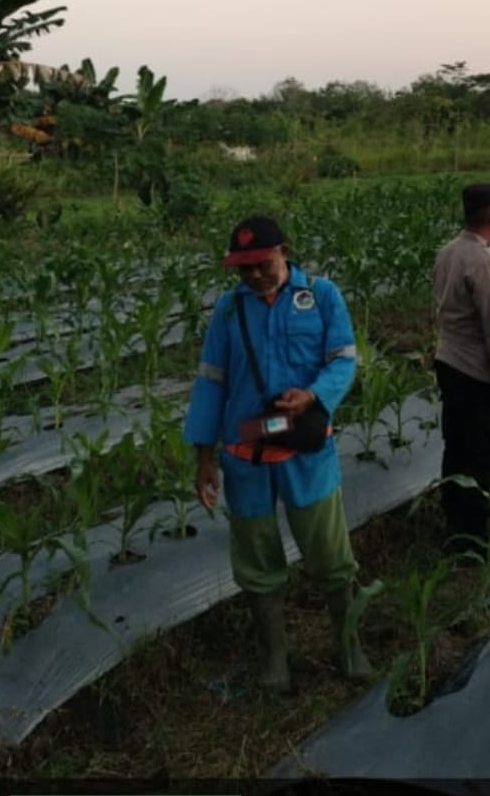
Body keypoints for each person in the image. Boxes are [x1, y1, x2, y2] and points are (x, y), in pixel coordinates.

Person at [183, 214, 370, 691]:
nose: (253, 275)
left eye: (262, 264)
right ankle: (275, 660)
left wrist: (314, 395)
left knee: (330, 554)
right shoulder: (229, 310)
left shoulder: (322, 296)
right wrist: (204, 458)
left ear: (283, 252)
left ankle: (349, 647)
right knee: (257, 561)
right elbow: (211, 382)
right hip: (244, 454)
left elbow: (344, 359)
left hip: (304, 453)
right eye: (243, 268)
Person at [432, 182, 490, 560]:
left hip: (449, 363)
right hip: (476, 373)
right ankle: (474, 540)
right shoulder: (485, 263)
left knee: (456, 447)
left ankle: (455, 527)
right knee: (485, 452)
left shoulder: (448, 252)